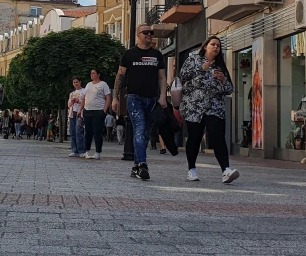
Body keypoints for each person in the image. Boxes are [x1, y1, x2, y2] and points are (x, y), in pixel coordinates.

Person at [179, 36, 240, 184]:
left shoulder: (220, 66)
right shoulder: (193, 59)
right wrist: (201, 69)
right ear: (205, 46)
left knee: (218, 137)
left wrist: (223, 80)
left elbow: (229, 89)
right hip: (195, 107)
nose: (216, 47)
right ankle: (191, 169)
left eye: (218, 45)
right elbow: (182, 77)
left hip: (214, 107)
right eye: (213, 44)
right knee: (194, 138)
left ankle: (226, 170)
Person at [114, 24, 167, 181]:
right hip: (134, 98)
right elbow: (120, 76)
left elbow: (162, 77)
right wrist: (115, 97)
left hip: (152, 99)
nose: (149, 35)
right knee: (139, 129)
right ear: (138, 35)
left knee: (144, 134)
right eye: (146, 32)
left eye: (151, 32)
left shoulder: (157, 55)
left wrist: (163, 96)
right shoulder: (129, 54)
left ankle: (136, 167)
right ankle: (143, 165)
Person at [79, 69, 111, 160]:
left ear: (98, 74)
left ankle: (97, 152)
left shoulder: (103, 84)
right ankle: (87, 151)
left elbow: (108, 97)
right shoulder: (88, 85)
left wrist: (104, 110)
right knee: (88, 132)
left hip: (98, 111)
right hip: (88, 110)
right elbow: (84, 98)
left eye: (93, 73)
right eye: (91, 73)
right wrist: (80, 109)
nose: (91, 75)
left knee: (97, 132)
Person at [67, 77, 85, 157]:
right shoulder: (72, 93)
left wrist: (79, 101)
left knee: (78, 132)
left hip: (80, 113)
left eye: (77, 82)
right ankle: (74, 150)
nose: (75, 84)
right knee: (73, 132)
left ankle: (81, 150)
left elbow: (86, 102)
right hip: (72, 113)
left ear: (80, 82)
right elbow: (69, 105)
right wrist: (72, 100)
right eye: (74, 82)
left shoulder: (84, 91)